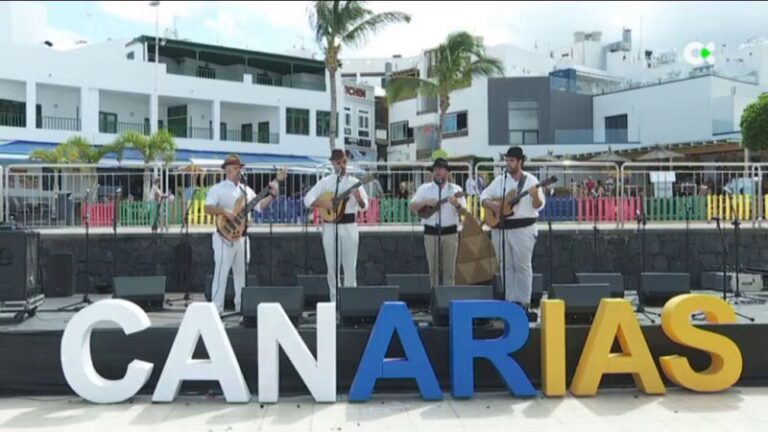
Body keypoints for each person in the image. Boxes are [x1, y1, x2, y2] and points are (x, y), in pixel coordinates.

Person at [204, 154, 278, 314]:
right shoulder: (217, 189)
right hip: (223, 236)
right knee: (221, 273)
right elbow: (207, 208)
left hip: (242, 237)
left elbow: (259, 206)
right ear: (227, 170)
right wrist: (224, 211)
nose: (239, 171)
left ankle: (241, 307)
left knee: (241, 274)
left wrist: (271, 195)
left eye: (240, 168)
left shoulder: (246, 190)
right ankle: (216, 309)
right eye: (236, 168)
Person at [480, 146, 545, 316]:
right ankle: (509, 302)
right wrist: (493, 204)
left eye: (512, 160)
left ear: (520, 161)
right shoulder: (500, 180)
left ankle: (523, 303)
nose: (508, 163)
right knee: (505, 266)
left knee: (522, 266)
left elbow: (538, 205)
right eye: (507, 160)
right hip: (501, 229)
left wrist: (535, 195)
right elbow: (483, 197)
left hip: (523, 229)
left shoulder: (531, 181)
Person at [304, 149, 369, 302]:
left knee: (350, 267)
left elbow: (364, 205)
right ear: (332, 163)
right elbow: (307, 199)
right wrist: (324, 202)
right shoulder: (326, 182)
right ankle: (334, 302)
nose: (342, 165)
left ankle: (350, 302)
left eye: (344, 162)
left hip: (349, 226)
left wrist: (359, 199)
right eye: (338, 162)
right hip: (330, 227)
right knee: (332, 269)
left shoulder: (354, 182)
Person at [409, 158, 467, 287]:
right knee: (433, 272)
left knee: (449, 272)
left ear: (447, 172)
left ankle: (447, 301)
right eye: (435, 170)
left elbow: (464, 212)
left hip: (450, 233)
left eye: (440, 169)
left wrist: (456, 204)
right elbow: (412, 206)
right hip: (430, 233)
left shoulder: (455, 189)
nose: (437, 172)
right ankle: (434, 300)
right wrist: (425, 202)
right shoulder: (425, 188)